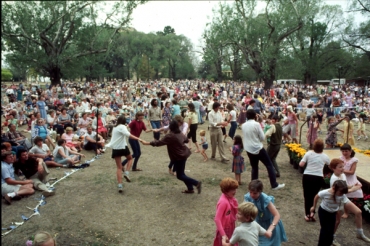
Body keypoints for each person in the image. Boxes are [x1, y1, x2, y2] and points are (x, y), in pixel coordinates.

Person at [142, 120, 202, 194]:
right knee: (182, 174)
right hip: (183, 154)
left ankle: (196, 183)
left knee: (180, 175)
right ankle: (190, 189)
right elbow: (186, 140)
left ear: (171, 127)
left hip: (179, 156)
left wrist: (147, 143)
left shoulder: (170, 136)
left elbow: (159, 143)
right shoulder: (180, 133)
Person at [329, 158, 370, 244]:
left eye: (343, 166)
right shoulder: (334, 179)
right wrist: (355, 188)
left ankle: (360, 233)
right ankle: (331, 238)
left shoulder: (342, 175)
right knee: (337, 221)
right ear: (333, 168)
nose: (343, 168)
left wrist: (352, 186)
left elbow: (345, 186)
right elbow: (343, 191)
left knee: (358, 212)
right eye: (340, 167)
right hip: (336, 200)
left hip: (343, 197)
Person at [241, 109, 284, 190]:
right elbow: (262, 137)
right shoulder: (256, 124)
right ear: (255, 116)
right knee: (269, 165)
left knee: (254, 167)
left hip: (248, 148)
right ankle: (274, 184)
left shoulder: (243, 125)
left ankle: (254, 186)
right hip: (257, 147)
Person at [105, 115, 143, 193]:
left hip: (115, 148)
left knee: (119, 168)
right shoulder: (122, 127)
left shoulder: (115, 128)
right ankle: (126, 172)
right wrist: (139, 139)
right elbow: (129, 135)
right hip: (122, 147)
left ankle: (120, 185)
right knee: (130, 158)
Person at [244, 179, 287, 246]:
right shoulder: (248, 197)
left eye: (255, 193)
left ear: (260, 192)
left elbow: (277, 215)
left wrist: (270, 229)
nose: (252, 195)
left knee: (271, 243)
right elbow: (245, 211)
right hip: (258, 223)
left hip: (270, 223)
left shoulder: (265, 199)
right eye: (250, 192)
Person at [299, 138, 330, 222]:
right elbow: (330, 165)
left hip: (307, 176)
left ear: (314, 146)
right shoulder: (325, 156)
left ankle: (307, 214)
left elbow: (301, 164)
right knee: (314, 196)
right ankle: (312, 213)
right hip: (318, 177)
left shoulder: (309, 153)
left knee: (307, 196)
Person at [310, 180, 349, 246]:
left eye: (343, 193)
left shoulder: (342, 194)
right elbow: (316, 197)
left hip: (332, 213)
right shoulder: (325, 192)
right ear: (334, 188)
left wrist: (345, 212)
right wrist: (314, 206)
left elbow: (346, 202)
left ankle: (328, 243)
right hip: (323, 212)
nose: (342, 195)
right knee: (324, 229)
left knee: (331, 230)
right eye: (340, 193)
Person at [339, 144, 363, 219]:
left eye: (346, 151)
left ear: (350, 151)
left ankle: (350, 210)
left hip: (350, 178)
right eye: (343, 151)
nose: (344, 153)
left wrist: (342, 170)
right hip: (343, 177)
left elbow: (352, 172)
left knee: (349, 195)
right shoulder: (341, 158)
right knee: (343, 194)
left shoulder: (353, 160)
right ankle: (345, 211)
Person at [213, 178, 239, 246]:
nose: (235, 191)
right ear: (226, 190)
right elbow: (217, 219)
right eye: (233, 190)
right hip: (225, 229)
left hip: (231, 227)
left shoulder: (231, 199)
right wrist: (223, 235)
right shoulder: (223, 202)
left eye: (235, 189)